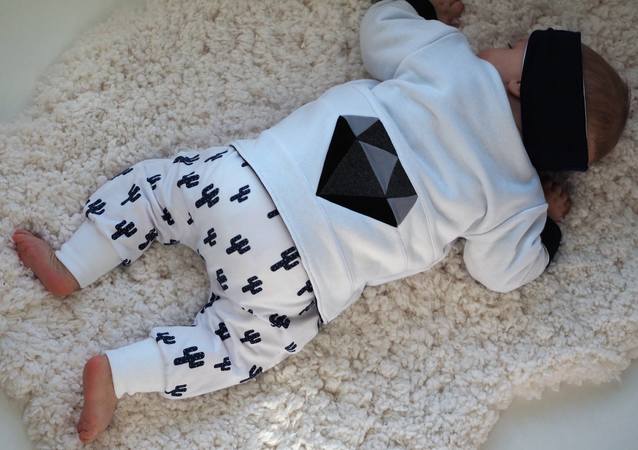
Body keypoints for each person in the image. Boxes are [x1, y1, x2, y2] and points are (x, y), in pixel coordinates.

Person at [11, 0, 630, 444]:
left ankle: (74, 262)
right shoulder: (515, 195)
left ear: (517, 81)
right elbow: (503, 271)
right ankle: (121, 374)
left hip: (245, 182)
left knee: (158, 190)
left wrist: (421, 10)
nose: (502, 44)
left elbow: (380, 28)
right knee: (236, 349)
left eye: (515, 47)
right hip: (299, 275)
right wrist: (546, 224)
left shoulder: (450, 60)